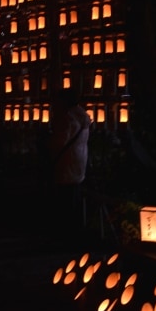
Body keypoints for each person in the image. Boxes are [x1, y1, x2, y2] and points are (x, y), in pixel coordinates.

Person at [48, 88, 92, 243]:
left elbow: (60, 142)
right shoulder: (84, 117)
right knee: (74, 196)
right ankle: (74, 231)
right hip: (79, 159)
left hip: (67, 161)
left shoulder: (68, 118)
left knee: (65, 198)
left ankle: (66, 234)